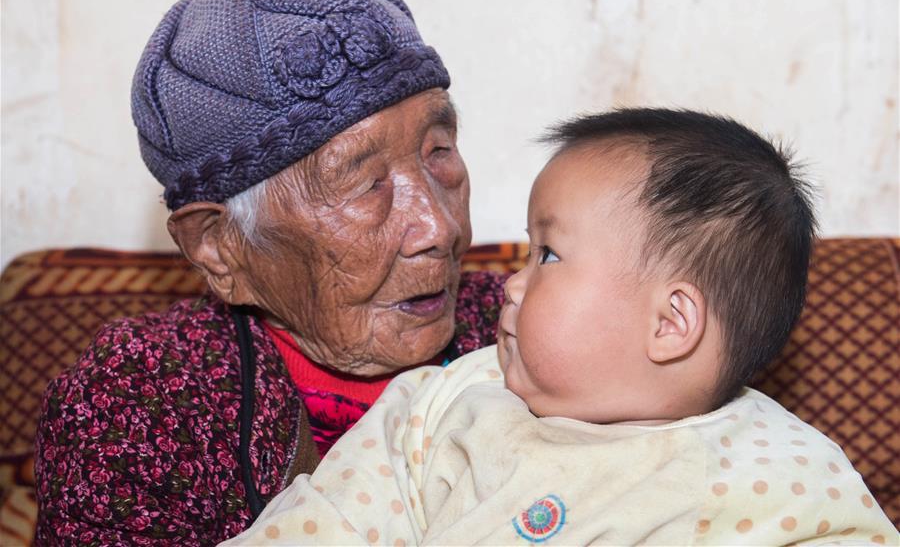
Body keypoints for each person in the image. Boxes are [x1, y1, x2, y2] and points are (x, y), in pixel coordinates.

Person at [222, 109, 897, 546]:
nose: (511, 284)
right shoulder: (447, 402)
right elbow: (327, 521)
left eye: (547, 256)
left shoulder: (780, 475)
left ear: (670, 323)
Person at [33, 0, 507, 545]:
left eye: (439, 150)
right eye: (366, 183)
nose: (438, 226)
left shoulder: (524, 327)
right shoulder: (142, 401)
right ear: (219, 247)